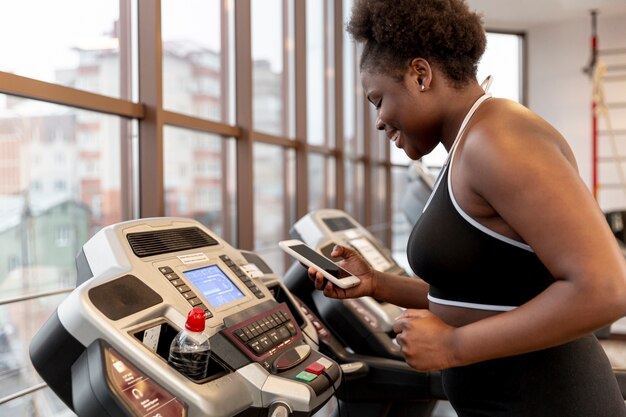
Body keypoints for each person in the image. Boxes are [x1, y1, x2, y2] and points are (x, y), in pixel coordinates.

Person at [307, 0, 626, 415]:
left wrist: (454, 346)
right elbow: (489, 292)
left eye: (378, 99)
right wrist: (378, 284)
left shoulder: (499, 139)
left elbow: (606, 290)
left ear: (420, 75)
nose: (380, 121)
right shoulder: (466, 145)